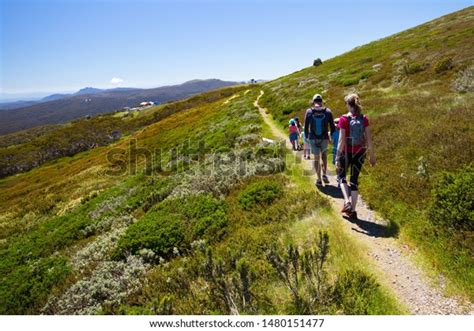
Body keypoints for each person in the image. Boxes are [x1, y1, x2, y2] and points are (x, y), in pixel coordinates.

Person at [335, 93, 376, 220]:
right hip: (360, 152)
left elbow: (341, 140)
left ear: (348, 104)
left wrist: (337, 156)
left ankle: (347, 202)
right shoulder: (364, 119)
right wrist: (372, 155)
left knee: (341, 177)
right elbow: (369, 139)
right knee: (354, 181)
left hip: (346, 152)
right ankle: (352, 210)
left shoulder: (343, 119)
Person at [304, 94, 336, 186]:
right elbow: (333, 127)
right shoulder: (328, 111)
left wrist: (306, 138)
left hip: (313, 138)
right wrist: (332, 137)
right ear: (322, 101)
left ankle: (318, 179)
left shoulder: (309, 111)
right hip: (324, 138)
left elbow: (306, 127)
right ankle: (324, 174)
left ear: (313, 102)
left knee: (316, 158)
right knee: (324, 156)